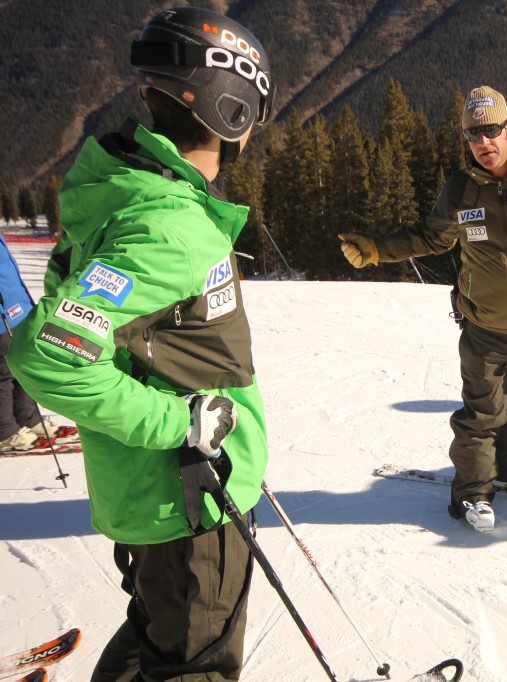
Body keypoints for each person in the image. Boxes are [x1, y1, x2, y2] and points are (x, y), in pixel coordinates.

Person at [7, 7, 275, 680]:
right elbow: (47, 352)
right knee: (193, 664)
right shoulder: (168, 227)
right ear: (232, 110)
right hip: (189, 502)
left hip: (162, 495)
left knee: (158, 640)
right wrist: (175, 422)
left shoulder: (132, 191)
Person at [339, 86, 507, 532]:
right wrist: (377, 249)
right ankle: (471, 494)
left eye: (490, 131)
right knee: (483, 415)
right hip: (484, 329)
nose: (483, 143)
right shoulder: (462, 189)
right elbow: (429, 237)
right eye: (473, 135)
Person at [0, 232, 68, 452]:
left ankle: (28, 417)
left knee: (23, 364)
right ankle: (5, 431)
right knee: (3, 373)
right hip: (2, 317)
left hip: (17, 307)